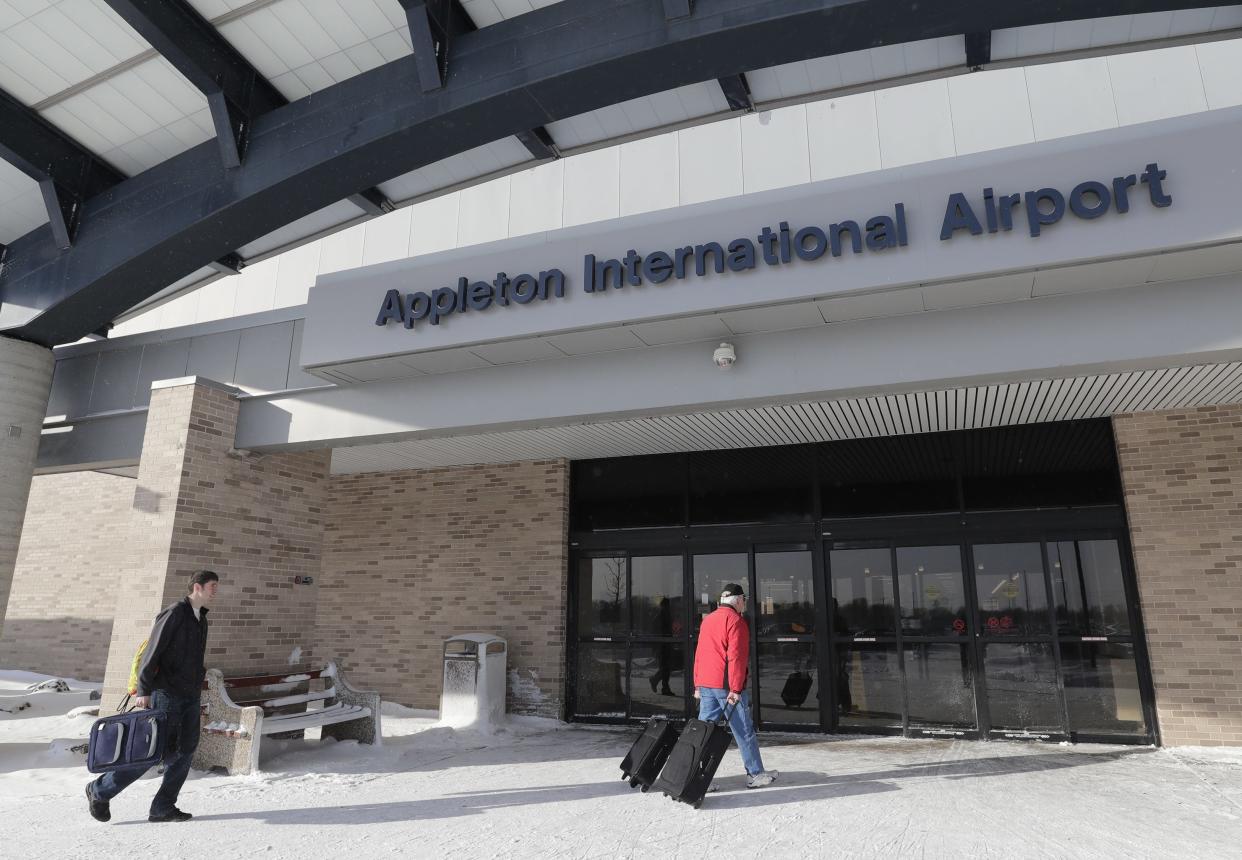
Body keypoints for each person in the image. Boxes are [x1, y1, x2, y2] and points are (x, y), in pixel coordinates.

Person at [86, 569, 219, 824]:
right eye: (212, 585)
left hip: (189, 694)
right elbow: (152, 653)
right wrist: (144, 690)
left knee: (186, 750)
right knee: (153, 752)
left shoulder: (200, 619)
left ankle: (163, 807)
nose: (216, 591)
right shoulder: (174, 613)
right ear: (197, 587)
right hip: (166, 694)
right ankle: (100, 790)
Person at [693, 583, 777, 789]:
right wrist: (736, 688)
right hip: (726, 686)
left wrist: (697, 683)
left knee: (705, 732)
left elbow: (700, 654)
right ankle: (755, 774)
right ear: (738, 600)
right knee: (743, 730)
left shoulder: (708, 620)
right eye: (744, 600)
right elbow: (736, 658)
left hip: (706, 684)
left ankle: (701, 778)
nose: (745, 604)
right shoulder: (736, 622)